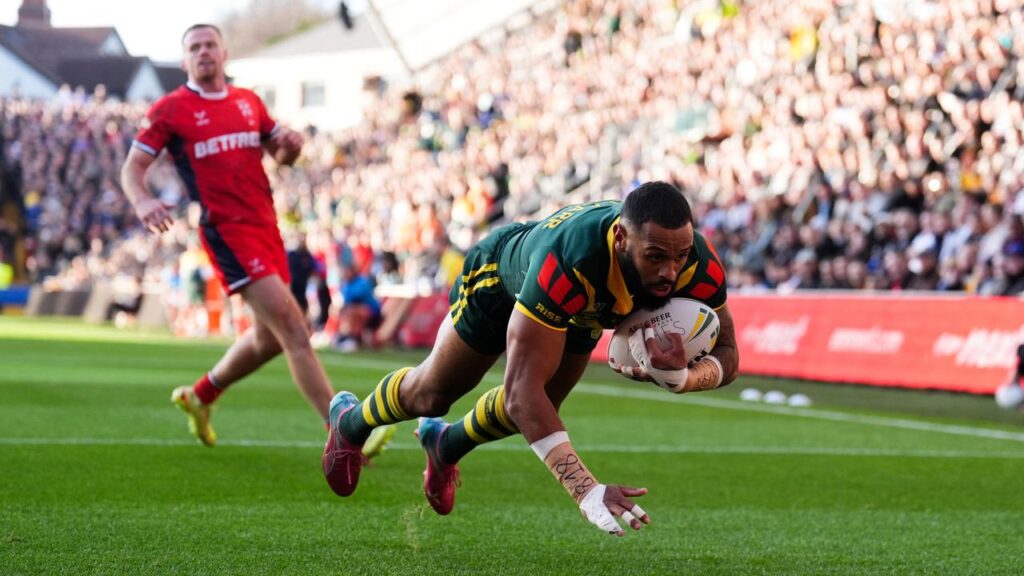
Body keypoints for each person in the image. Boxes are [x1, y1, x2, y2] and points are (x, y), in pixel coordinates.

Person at [322, 182, 740, 536]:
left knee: (546, 405)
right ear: (621, 240)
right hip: (503, 279)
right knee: (435, 396)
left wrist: (681, 378)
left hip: (582, 305)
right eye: (656, 257)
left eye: (679, 256)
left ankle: (445, 444)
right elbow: (521, 395)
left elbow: (729, 354)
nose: (670, 271)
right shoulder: (571, 260)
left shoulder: (695, 263)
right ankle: (350, 422)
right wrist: (586, 489)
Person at [120, 24, 336, 446]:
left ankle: (201, 396)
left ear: (224, 54)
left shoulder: (248, 102)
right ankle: (344, 430)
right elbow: (132, 169)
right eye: (194, 47)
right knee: (294, 328)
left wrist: (292, 146)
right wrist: (143, 201)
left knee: (269, 339)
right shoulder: (171, 109)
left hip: (266, 226)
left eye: (210, 45)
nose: (203, 52)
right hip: (226, 231)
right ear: (184, 61)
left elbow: (283, 156)